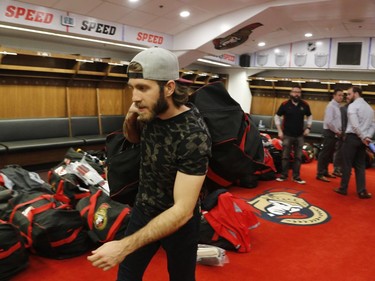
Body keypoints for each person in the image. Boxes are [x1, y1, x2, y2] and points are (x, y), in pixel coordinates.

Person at [87, 47, 212, 280]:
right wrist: (131, 116)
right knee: (127, 275)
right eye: (132, 88)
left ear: (169, 88)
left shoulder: (194, 136)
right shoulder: (151, 111)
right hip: (144, 207)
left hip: (179, 220)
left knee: (181, 277)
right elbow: (134, 139)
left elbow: (182, 210)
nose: (134, 97)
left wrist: (123, 246)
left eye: (143, 88)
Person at [334, 86, 375, 199]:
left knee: (346, 165)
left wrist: (363, 137)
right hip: (363, 141)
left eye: (349, 94)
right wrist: (367, 137)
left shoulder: (352, 106)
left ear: (356, 94)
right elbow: (373, 125)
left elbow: (355, 125)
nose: (347, 96)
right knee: (360, 166)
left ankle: (343, 188)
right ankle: (362, 191)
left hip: (352, 138)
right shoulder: (369, 108)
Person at [274, 85, 313, 184]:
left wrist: (308, 128)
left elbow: (310, 116)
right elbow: (277, 116)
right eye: (294, 92)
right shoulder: (285, 104)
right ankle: (284, 175)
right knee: (285, 156)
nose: (296, 94)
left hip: (299, 135)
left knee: (298, 157)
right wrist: (279, 130)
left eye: (298, 92)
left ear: (300, 94)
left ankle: (296, 177)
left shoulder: (304, 105)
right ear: (291, 93)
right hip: (287, 134)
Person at [316, 88, 344, 182]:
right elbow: (329, 122)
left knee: (329, 154)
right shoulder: (331, 106)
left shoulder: (338, 106)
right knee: (324, 154)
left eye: (342, 95)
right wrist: (337, 131)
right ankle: (319, 174)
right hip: (329, 132)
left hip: (334, 132)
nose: (341, 97)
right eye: (339, 95)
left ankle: (325, 171)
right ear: (334, 96)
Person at [332, 93, 351, 177]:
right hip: (343, 133)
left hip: (350, 134)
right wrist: (343, 133)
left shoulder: (353, 109)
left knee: (346, 153)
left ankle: (344, 169)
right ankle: (336, 169)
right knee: (339, 152)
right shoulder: (343, 109)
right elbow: (342, 122)